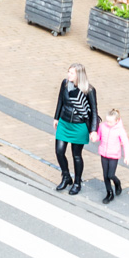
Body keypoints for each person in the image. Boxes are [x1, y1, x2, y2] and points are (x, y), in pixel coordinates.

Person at [52, 63, 98, 194]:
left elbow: (94, 111)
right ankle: (66, 176)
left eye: (72, 73)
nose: (68, 75)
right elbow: (60, 100)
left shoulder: (89, 90)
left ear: (79, 75)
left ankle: (77, 182)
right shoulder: (65, 84)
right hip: (64, 122)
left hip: (79, 125)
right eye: (68, 72)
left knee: (76, 155)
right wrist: (56, 117)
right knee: (59, 151)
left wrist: (93, 130)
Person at [93, 107, 129, 204]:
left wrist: (127, 156)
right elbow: (99, 137)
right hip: (104, 153)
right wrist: (94, 137)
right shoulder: (103, 126)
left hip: (114, 155)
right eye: (107, 121)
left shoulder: (120, 130)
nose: (108, 123)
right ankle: (109, 193)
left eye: (110, 122)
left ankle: (117, 183)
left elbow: (125, 143)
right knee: (105, 175)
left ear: (117, 121)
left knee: (111, 175)